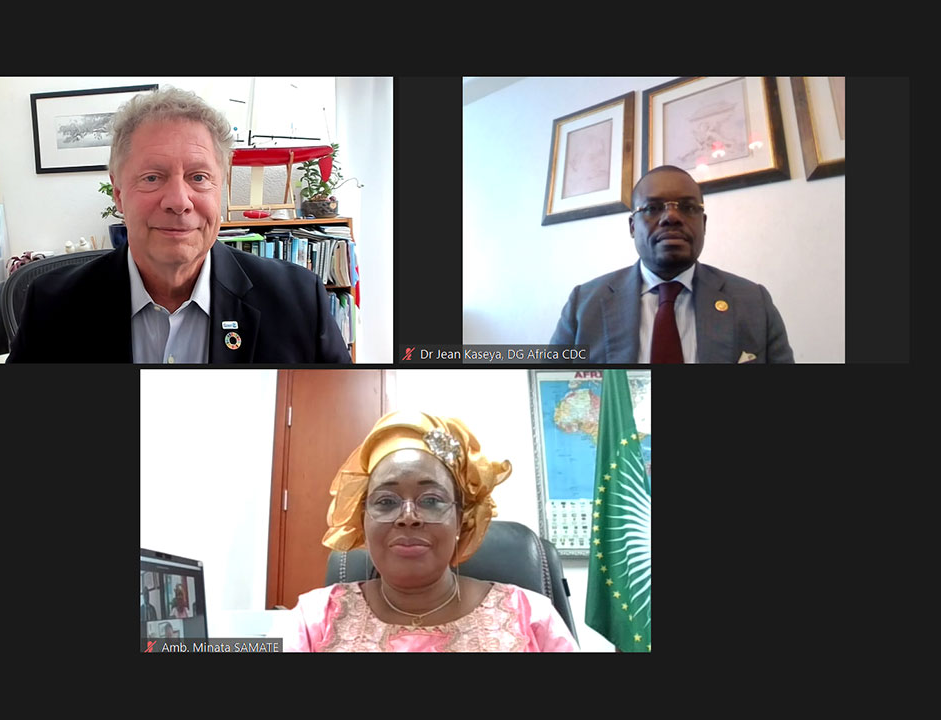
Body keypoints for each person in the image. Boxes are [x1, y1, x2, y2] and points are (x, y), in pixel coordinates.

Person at [7, 86, 351, 364]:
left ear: (220, 190)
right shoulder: (51, 305)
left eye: (199, 177)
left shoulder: (300, 302)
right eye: (152, 177)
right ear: (119, 194)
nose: (179, 201)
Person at [284, 411, 579, 652]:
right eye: (386, 501)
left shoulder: (530, 616)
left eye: (432, 501)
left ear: (460, 518)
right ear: (362, 519)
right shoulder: (314, 619)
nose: (408, 518)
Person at [549, 165, 794, 363]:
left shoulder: (753, 302)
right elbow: (551, 389)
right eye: (653, 208)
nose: (672, 217)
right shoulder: (584, 304)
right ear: (633, 227)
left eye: (688, 208)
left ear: (704, 224)